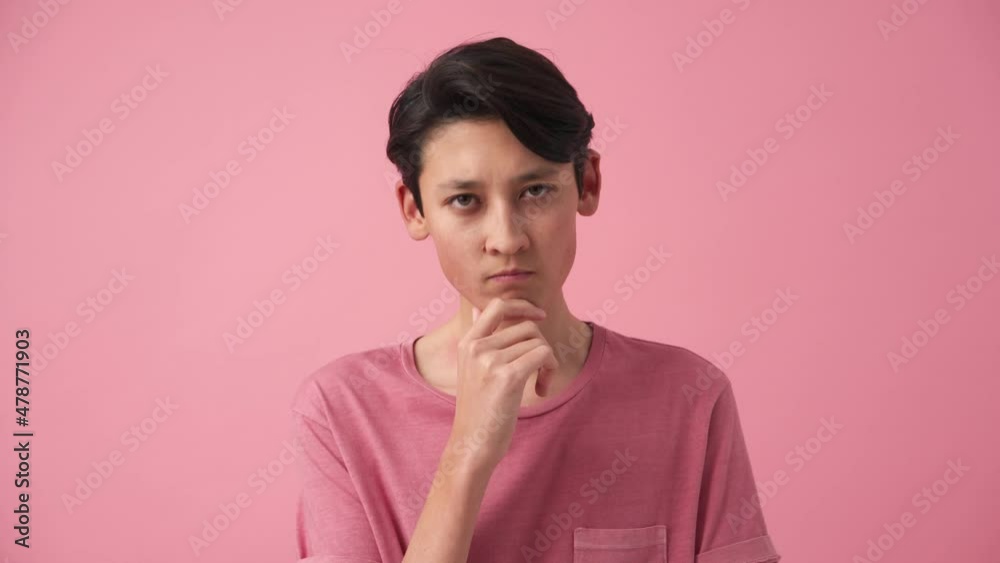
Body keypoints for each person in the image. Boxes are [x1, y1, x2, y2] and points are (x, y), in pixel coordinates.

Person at [290, 36, 781, 563]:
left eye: (535, 191)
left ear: (587, 183)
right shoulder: (342, 410)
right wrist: (468, 454)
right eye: (465, 200)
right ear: (414, 210)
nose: (506, 238)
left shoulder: (689, 396)